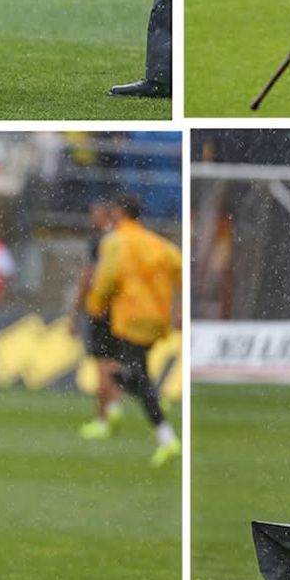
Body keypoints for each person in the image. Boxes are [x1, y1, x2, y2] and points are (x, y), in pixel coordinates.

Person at [84, 193, 183, 466]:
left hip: (130, 320)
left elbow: (107, 278)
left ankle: (167, 437)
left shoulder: (114, 242)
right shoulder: (158, 243)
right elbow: (181, 270)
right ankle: (148, 397)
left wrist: (95, 305)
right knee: (132, 371)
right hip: (157, 320)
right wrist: (179, 308)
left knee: (130, 375)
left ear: (119, 213)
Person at [75, 200, 124, 438]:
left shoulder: (101, 241)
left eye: (94, 213)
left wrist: (77, 307)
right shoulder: (123, 239)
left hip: (101, 309)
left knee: (102, 364)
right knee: (115, 360)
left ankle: (103, 418)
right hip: (122, 310)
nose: (91, 218)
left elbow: (90, 275)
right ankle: (115, 404)